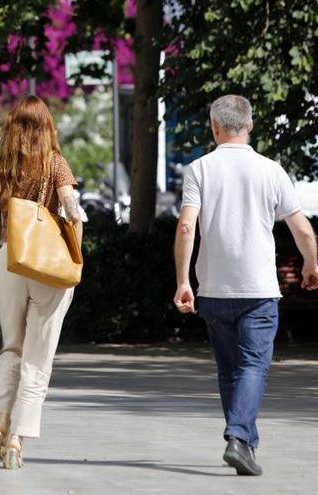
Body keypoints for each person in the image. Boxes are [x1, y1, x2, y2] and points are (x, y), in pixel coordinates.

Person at [173, 95, 318, 476]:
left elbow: (187, 226)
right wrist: (311, 264)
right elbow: (301, 227)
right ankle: (238, 436)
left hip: (213, 291)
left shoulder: (199, 169)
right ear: (250, 125)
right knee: (253, 366)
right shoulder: (271, 170)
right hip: (258, 290)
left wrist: (182, 281)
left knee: (229, 370)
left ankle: (244, 447)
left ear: (214, 128)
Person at [0, 96, 82, 469]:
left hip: (9, 260)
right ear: (46, 127)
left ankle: (0, 424)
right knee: (38, 357)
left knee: (14, 348)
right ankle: (17, 441)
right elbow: (73, 213)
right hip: (47, 264)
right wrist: (75, 255)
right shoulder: (56, 164)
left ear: (12, 127)